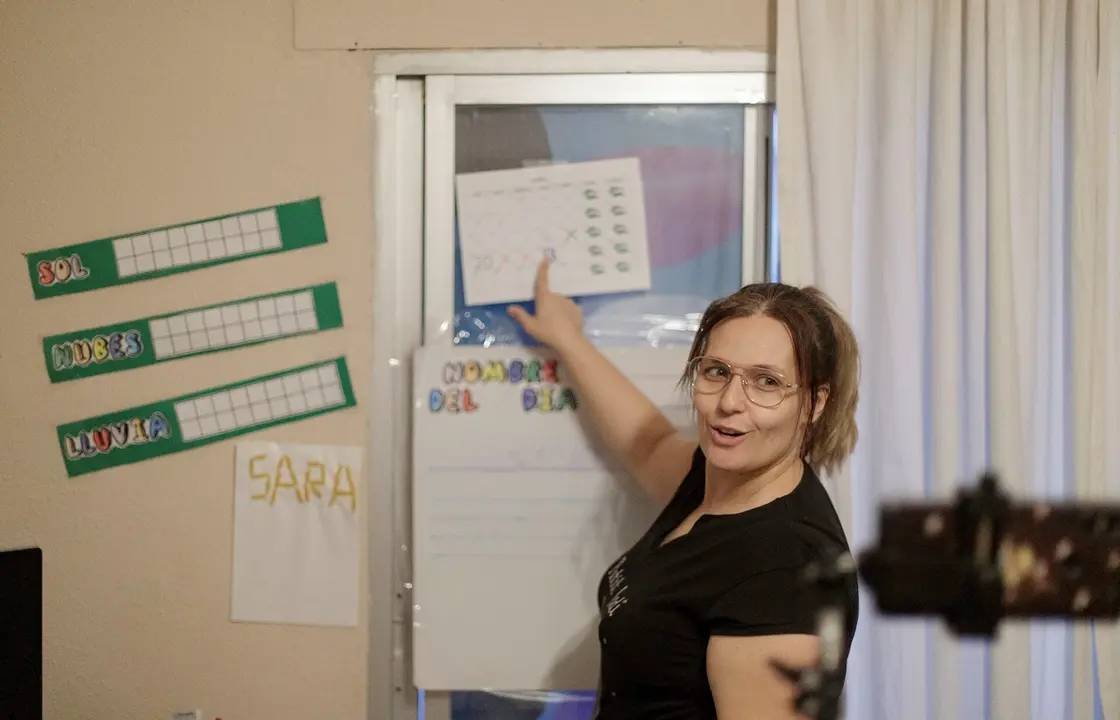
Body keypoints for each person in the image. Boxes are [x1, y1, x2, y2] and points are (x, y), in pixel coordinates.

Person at [507, 261, 861, 720]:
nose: (729, 402)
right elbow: (648, 445)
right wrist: (567, 339)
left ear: (814, 403)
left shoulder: (784, 572)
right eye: (716, 371)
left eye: (767, 382)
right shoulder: (718, 477)